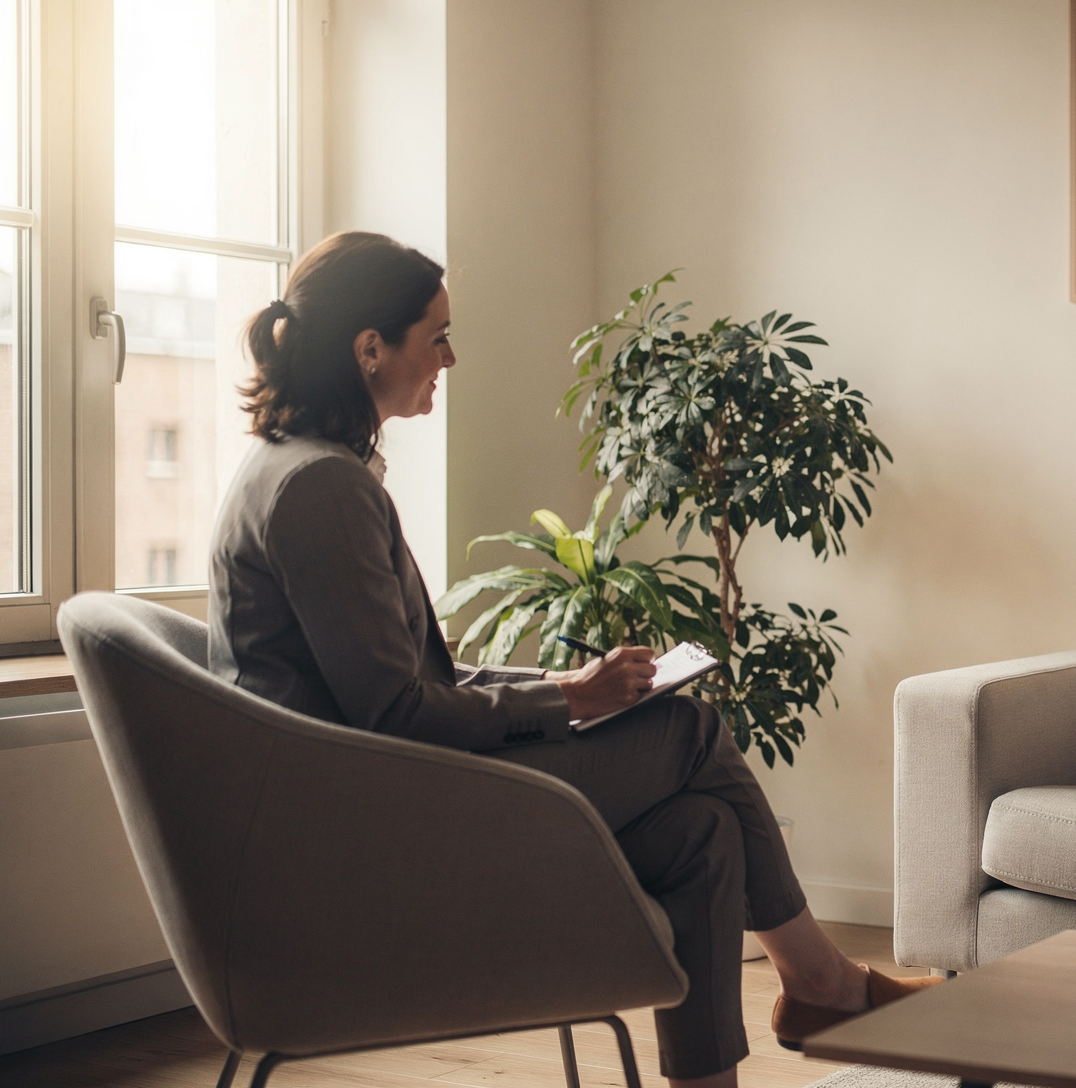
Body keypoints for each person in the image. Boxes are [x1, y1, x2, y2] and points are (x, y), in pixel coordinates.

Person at [206, 231, 933, 1088]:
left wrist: (567, 687)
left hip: (389, 795)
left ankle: (741, 1057)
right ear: (371, 349)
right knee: (691, 725)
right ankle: (821, 981)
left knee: (703, 836)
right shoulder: (319, 488)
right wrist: (567, 702)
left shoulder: (296, 469)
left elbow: (408, 685)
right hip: (382, 831)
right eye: (434, 335)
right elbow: (394, 712)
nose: (451, 355)